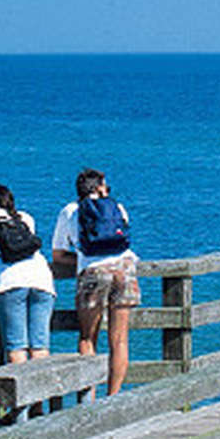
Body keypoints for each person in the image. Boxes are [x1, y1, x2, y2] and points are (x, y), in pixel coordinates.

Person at [52, 168, 140, 396]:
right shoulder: (117, 208)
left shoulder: (70, 211)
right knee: (119, 339)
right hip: (125, 269)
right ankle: (113, 398)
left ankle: (88, 400)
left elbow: (58, 255)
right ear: (100, 188)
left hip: (93, 272)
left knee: (87, 338)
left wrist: (82, 259)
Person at [0, 184, 56, 365]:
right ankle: (39, 392)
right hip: (42, 281)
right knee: (39, 347)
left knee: (16, 348)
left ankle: (22, 394)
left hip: (9, 284)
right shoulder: (26, 218)